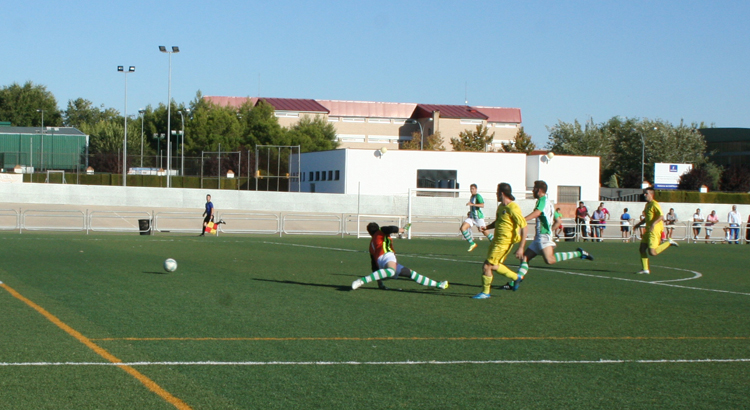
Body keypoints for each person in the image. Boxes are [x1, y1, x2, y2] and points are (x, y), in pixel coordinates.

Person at [504, 181, 592, 289]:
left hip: (543, 237)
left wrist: (522, 220)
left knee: (550, 260)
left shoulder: (542, 200)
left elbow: (537, 213)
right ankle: (515, 282)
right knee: (525, 258)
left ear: (539, 190)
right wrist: (550, 231)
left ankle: (579, 253)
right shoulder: (549, 203)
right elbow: (558, 221)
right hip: (540, 237)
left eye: (534, 189)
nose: (533, 191)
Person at [352, 223, 448, 290]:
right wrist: (402, 230)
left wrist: (380, 283)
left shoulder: (371, 244)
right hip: (387, 256)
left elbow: (373, 266)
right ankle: (361, 281)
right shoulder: (381, 231)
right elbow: (391, 228)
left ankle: (439, 284)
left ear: (369, 232)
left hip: (380, 263)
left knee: (412, 274)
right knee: (391, 271)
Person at [472, 183, 527, 299]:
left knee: (487, 266)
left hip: (504, 242)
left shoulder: (513, 207)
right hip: (497, 240)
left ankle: (486, 292)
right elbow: (498, 222)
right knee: (494, 266)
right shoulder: (501, 207)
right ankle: (516, 277)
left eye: (497, 192)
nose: (496, 195)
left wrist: (521, 247)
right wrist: (486, 227)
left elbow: (524, 226)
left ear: (502, 193)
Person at [632, 187, 679, 274]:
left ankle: (669, 242)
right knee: (642, 249)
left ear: (651, 195)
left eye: (646, 193)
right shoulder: (647, 205)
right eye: (644, 193)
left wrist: (653, 224)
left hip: (654, 230)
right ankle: (645, 269)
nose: (644, 195)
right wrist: (638, 224)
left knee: (652, 252)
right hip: (648, 229)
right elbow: (647, 218)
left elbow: (661, 216)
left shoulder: (655, 204)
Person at [460, 184, 492, 251]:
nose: (472, 190)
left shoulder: (478, 196)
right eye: (471, 189)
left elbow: (482, 205)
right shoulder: (472, 196)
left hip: (478, 218)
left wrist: (473, 204)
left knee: (484, 231)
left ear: (476, 189)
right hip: (472, 217)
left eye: (473, 188)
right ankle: (472, 243)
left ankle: (494, 242)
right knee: (463, 228)